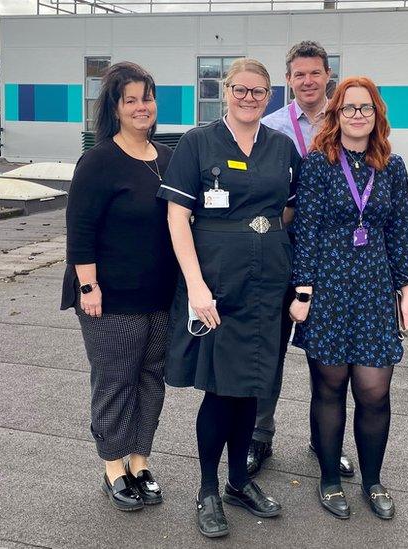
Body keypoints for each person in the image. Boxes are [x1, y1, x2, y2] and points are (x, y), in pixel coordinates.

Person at [156, 58, 301, 538]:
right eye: (241, 89)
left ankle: (239, 480)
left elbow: (291, 212)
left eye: (259, 92)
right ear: (226, 91)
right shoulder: (197, 142)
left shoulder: (281, 147)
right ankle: (207, 489)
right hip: (218, 282)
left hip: (268, 284)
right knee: (220, 389)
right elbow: (178, 217)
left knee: (253, 386)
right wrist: (196, 285)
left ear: (269, 96)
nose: (249, 98)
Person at [289, 77, 408, 520]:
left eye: (365, 108)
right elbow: (305, 232)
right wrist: (302, 291)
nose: (358, 115)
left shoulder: (393, 167)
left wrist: (407, 287)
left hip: (375, 293)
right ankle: (327, 478)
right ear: (336, 114)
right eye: (349, 108)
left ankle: (373, 480)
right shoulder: (318, 165)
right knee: (330, 389)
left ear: (377, 114)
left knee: (375, 390)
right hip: (327, 291)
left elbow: (400, 230)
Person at [61, 61, 177, 512]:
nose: (141, 107)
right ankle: (113, 465)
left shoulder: (167, 158)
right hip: (109, 300)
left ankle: (140, 460)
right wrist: (88, 287)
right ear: (115, 107)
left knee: (152, 379)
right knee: (115, 380)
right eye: (131, 100)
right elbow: (80, 230)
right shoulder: (99, 160)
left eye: (147, 98)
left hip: (159, 296)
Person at [252, 40, 355, 480]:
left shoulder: (350, 122)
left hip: (333, 261)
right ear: (288, 79)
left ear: (327, 75)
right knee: (267, 351)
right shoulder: (271, 126)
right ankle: (260, 438)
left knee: (327, 356)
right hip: (280, 254)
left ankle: (324, 440)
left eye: (315, 73)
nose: (308, 81)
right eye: (299, 74)